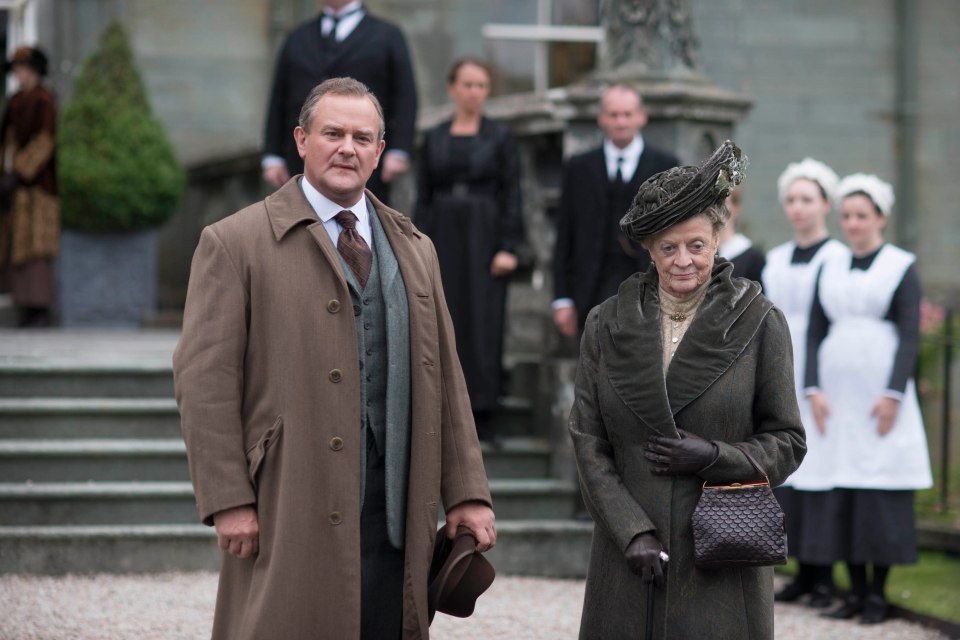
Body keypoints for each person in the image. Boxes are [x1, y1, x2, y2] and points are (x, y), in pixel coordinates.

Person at [173, 78, 496, 640]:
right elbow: (205, 383)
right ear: (301, 140)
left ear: (379, 151)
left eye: (363, 137)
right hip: (288, 497)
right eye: (333, 133)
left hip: (400, 499)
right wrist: (228, 499)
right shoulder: (233, 242)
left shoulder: (416, 247)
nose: (348, 147)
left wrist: (467, 493)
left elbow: (447, 377)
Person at [569, 141, 806, 639]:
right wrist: (629, 529)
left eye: (696, 245)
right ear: (649, 249)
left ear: (718, 239)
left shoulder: (761, 323)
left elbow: (787, 441)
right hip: (629, 553)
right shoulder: (605, 323)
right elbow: (588, 441)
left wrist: (715, 455)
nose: (683, 261)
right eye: (668, 247)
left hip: (721, 557)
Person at [805, 173, 932, 625]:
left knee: (879, 492)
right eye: (847, 216)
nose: (853, 224)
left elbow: (911, 337)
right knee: (845, 491)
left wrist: (894, 394)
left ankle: (877, 594)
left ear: (880, 217)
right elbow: (815, 331)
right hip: (838, 400)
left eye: (861, 215)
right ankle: (854, 592)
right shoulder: (830, 265)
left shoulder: (900, 266)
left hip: (879, 397)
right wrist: (813, 390)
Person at [414, 57, 524, 444]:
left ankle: (483, 415)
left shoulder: (500, 137)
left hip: (485, 236)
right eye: (468, 84)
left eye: (481, 85)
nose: (474, 92)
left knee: (484, 322)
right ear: (452, 88)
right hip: (443, 234)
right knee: (444, 320)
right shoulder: (435, 137)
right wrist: (417, 245)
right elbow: (422, 197)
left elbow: (513, 194)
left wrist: (508, 246)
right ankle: (442, 412)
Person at [763, 158, 848, 608]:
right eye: (791, 200)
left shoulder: (837, 258)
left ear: (826, 204)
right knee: (789, 471)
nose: (798, 208)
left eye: (807, 199)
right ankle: (798, 569)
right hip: (782, 364)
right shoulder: (775, 258)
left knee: (823, 468)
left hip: (823, 372)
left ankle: (824, 574)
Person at [552, 84, 679, 337]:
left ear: (641, 117)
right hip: (590, 289)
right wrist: (562, 298)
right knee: (595, 364)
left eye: (627, 114)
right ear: (601, 119)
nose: (621, 122)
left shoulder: (666, 165)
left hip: (649, 287)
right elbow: (565, 233)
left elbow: (674, 232)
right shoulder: (578, 167)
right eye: (613, 114)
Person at [262, 0, 417, 204]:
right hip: (302, 158)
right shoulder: (297, 36)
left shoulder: (388, 35)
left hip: (363, 157)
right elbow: (279, 96)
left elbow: (405, 95)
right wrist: (272, 154)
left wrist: (399, 150)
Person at [0, 46, 58, 327]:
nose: (18, 74)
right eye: (16, 69)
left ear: (34, 70)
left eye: (22, 68)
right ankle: (24, 304)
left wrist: (22, 171)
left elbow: (46, 140)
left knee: (37, 244)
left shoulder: (45, 100)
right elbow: (8, 138)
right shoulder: (15, 101)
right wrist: (7, 171)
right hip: (18, 189)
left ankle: (40, 308)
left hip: (39, 187)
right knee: (18, 244)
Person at [717, 185, 765, 284]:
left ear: (736, 208)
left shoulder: (752, 257)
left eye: (724, 203)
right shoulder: (698, 253)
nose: (717, 209)